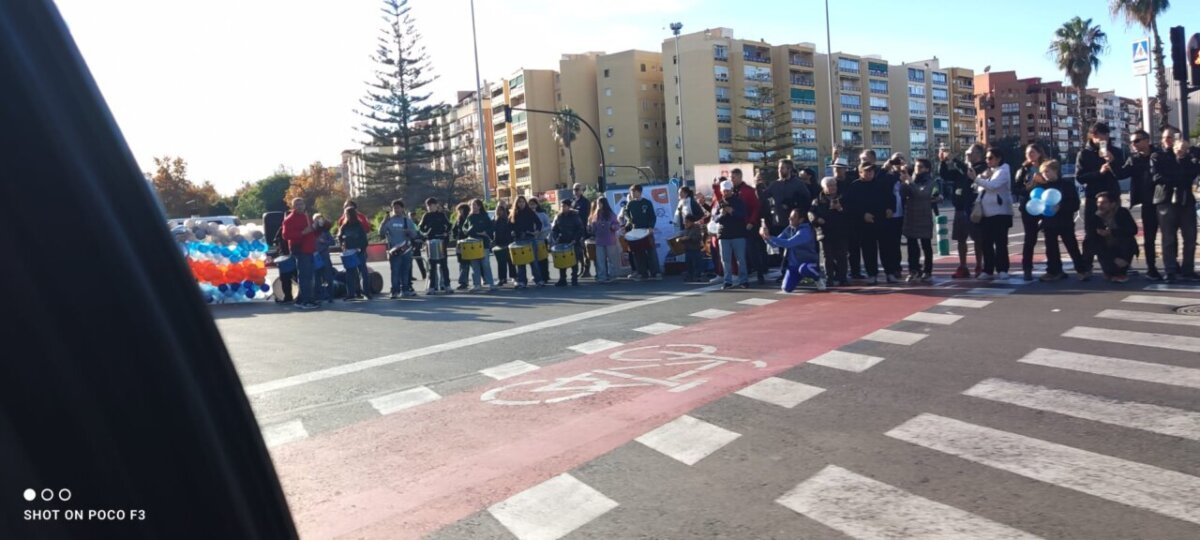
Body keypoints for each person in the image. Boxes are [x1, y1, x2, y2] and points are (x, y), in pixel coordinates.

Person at [1075, 122, 1125, 279]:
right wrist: (1099, 172)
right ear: (1092, 136)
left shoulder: (1116, 151)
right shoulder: (1084, 154)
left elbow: (1121, 174)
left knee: (1115, 231)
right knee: (1091, 233)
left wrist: (1113, 161)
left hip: (1112, 196)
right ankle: (1086, 266)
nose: (1103, 138)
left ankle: (1116, 266)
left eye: (1106, 134)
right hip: (1093, 198)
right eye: (1099, 135)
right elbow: (1080, 177)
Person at [1151, 128, 1199, 282]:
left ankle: (1188, 269)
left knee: (1190, 237)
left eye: (1171, 137)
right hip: (1166, 200)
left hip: (1185, 200)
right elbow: (1157, 176)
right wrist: (1177, 179)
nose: (1168, 140)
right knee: (1168, 238)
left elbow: (1192, 173)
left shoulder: (1186, 157)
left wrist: (1184, 156)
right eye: (1165, 137)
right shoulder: (1158, 156)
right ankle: (1170, 270)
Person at [939, 143, 987, 278]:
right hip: (959, 208)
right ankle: (963, 266)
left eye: (970, 153)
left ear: (979, 154)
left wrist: (954, 159)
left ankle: (979, 265)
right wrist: (943, 162)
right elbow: (945, 175)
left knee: (978, 239)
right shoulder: (961, 171)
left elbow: (970, 172)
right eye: (966, 153)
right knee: (961, 239)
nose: (967, 155)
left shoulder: (982, 167)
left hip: (973, 208)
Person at [1038, 160, 1085, 282]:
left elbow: (1075, 204)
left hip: (1065, 221)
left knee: (1071, 246)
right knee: (1051, 248)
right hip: (1048, 221)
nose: (1045, 175)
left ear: (1055, 170)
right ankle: (1054, 271)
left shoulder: (1066, 185)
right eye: (1043, 172)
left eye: (1047, 171)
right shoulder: (1042, 187)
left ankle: (1082, 270)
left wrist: (1061, 206)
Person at [843, 163, 889, 285]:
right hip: (864, 224)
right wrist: (863, 215)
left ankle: (889, 272)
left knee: (886, 248)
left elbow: (889, 198)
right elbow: (849, 205)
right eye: (866, 171)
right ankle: (872, 274)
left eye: (871, 171)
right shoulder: (855, 186)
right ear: (860, 172)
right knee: (869, 250)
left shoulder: (880, 184)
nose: (869, 173)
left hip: (881, 220)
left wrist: (890, 208)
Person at [1123, 129, 1160, 280]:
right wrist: (1110, 161)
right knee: (1149, 238)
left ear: (1147, 140)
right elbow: (1121, 173)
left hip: (1163, 201)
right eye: (1132, 142)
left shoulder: (1158, 154)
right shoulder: (1134, 159)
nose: (1134, 144)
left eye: (1137, 141)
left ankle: (1174, 266)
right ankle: (1151, 268)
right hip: (1147, 203)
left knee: (1170, 236)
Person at [974, 146, 1014, 280]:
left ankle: (1002, 269)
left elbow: (993, 186)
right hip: (986, 213)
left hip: (1000, 213)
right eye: (986, 158)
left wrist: (977, 179)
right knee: (986, 242)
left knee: (1000, 242)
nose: (987, 160)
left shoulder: (1004, 170)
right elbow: (978, 188)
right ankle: (988, 269)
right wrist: (980, 178)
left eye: (990, 158)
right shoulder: (989, 172)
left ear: (999, 158)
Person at [762, 209, 824, 292]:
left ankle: (818, 278)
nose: (790, 218)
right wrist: (765, 237)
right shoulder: (789, 229)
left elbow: (789, 243)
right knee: (786, 288)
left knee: (804, 269)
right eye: (790, 216)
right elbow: (774, 244)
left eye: (793, 217)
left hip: (808, 263)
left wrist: (770, 237)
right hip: (794, 265)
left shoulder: (805, 231)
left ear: (801, 220)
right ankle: (799, 277)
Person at [1087, 192, 1139, 283]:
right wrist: (1112, 258)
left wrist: (1111, 232)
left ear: (1113, 204)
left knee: (1127, 240)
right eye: (1098, 202)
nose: (1100, 205)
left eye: (1104, 203)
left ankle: (1123, 266)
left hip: (1122, 247)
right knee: (1088, 242)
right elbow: (1092, 238)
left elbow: (1132, 230)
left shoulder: (1122, 212)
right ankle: (1088, 269)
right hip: (1106, 249)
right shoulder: (1095, 216)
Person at [1014, 143, 1049, 281]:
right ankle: (1027, 268)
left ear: (1039, 153)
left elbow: (1056, 182)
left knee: (1050, 236)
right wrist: (1027, 189)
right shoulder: (1023, 170)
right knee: (1030, 238)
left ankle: (1053, 267)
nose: (1029, 155)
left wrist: (1044, 182)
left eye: (1032, 152)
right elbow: (1015, 189)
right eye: (1027, 153)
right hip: (1029, 207)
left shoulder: (1047, 166)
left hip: (1046, 205)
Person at [902, 158, 939, 283]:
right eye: (916, 166)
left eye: (920, 166)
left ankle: (927, 270)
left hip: (924, 217)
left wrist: (910, 182)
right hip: (911, 217)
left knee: (926, 245)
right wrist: (903, 181)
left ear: (927, 169)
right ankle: (913, 270)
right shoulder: (911, 179)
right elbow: (903, 193)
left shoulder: (930, 182)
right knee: (912, 246)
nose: (917, 169)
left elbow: (921, 194)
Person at [281, 197, 320, 309]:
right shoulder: (289, 219)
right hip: (301, 249)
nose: (300, 206)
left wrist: (318, 228)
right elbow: (285, 235)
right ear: (293, 206)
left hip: (310, 249)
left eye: (301, 204)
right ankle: (305, 301)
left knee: (309, 276)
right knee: (304, 276)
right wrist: (302, 233)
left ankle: (306, 299)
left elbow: (312, 232)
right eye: (297, 204)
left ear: (304, 205)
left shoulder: (306, 216)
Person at [811, 175, 849, 287]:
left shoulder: (842, 198)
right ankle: (829, 278)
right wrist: (817, 219)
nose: (833, 188)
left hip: (840, 231)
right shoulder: (817, 201)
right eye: (829, 185)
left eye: (834, 185)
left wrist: (840, 209)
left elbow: (850, 214)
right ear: (823, 187)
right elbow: (811, 214)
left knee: (842, 256)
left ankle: (843, 278)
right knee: (827, 257)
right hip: (824, 232)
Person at [731, 168, 765, 284]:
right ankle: (744, 274)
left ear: (740, 177)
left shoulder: (748, 190)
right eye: (731, 178)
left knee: (752, 250)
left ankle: (760, 273)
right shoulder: (731, 191)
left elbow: (756, 207)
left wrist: (751, 222)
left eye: (734, 177)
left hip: (748, 225)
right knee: (739, 252)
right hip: (736, 226)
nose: (732, 180)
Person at [380, 199, 419, 298]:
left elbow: (414, 235)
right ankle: (394, 291)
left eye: (398, 208)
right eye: (394, 208)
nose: (396, 210)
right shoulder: (389, 221)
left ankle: (405, 290)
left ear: (402, 209)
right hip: (394, 251)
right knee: (395, 271)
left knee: (405, 271)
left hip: (406, 250)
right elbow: (381, 233)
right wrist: (383, 222)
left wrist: (409, 232)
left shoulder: (407, 221)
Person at [621, 184, 660, 280]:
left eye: (633, 191)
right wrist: (629, 222)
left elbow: (652, 216)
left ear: (639, 192)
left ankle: (655, 273)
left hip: (646, 230)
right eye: (631, 192)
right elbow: (626, 214)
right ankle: (643, 273)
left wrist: (651, 227)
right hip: (635, 231)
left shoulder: (647, 203)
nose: (632, 193)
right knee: (638, 253)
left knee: (651, 252)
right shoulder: (630, 204)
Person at [715, 179, 749, 289]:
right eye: (723, 191)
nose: (725, 193)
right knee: (725, 260)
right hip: (723, 235)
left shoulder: (738, 201)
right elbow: (715, 219)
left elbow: (743, 215)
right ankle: (727, 281)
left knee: (741, 259)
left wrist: (732, 211)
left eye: (727, 191)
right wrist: (722, 214)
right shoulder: (719, 203)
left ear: (731, 190)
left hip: (738, 234)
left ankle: (743, 280)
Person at [337, 200, 374, 298]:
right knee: (350, 273)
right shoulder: (344, 226)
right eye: (346, 214)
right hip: (349, 252)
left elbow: (364, 238)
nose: (346, 215)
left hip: (359, 251)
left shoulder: (359, 225)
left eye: (348, 214)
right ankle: (351, 293)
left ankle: (366, 292)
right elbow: (339, 236)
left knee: (363, 272)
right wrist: (342, 244)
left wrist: (362, 249)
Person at [879, 153, 907, 283]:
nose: (898, 163)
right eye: (896, 161)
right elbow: (879, 178)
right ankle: (892, 269)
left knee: (898, 243)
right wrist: (888, 165)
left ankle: (898, 267)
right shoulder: (888, 177)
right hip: (891, 215)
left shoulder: (907, 174)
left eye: (901, 160)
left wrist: (905, 170)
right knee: (890, 244)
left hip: (904, 214)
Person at [418, 197, 453, 294]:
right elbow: (420, 227)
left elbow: (449, 225)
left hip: (441, 241)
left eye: (431, 205)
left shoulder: (441, 215)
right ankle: (432, 287)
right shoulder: (426, 216)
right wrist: (425, 233)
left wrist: (446, 233)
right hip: (431, 242)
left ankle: (447, 285)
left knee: (444, 265)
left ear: (436, 205)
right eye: (428, 206)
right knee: (432, 266)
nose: (430, 207)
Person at [463, 198, 497, 292]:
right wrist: (467, 232)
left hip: (484, 243)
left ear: (479, 206)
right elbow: (464, 228)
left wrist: (485, 232)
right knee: (475, 265)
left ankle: (491, 284)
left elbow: (491, 227)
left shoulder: (485, 216)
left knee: (485, 264)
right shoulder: (470, 217)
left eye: (475, 205)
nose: (473, 207)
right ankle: (477, 284)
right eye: (471, 205)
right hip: (472, 243)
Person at [549, 199, 585, 286]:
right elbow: (555, 229)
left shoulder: (575, 216)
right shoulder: (559, 217)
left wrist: (575, 239)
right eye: (561, 206)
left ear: (569, 207)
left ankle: (574, 279)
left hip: (573, 241)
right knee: (562, 261)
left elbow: (580, 229)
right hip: (562, 241)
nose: (562, 208)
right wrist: (556, 238)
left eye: (564, 206)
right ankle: (562, 279)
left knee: (574, 261)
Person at [511, 195, 543, 289]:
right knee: (520, 262)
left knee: (534, 261)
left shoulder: (530, 212)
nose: (521, 203)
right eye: (519, 202)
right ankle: (522, 281)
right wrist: (512, 232)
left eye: (523, 202)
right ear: (516, 203)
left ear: (525, 203)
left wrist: (537, 231)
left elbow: (539, 223)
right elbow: (509, 226)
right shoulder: (514, 213)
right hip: (519, 240)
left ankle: (538, 280)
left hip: (530, 239)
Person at [589, 197, 622, 283]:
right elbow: (593, 228)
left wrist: (613, 227)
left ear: (604, 204)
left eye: (600, 203)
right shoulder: (595, 215)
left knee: (611, 259)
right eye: (597, 203)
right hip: (599, 240)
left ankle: (612, 275)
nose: (598, 205)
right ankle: (602, 276)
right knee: (600, 260)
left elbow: (617, 225)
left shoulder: (611, 214)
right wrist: (591, 227)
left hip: (610, 240)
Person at [570, 184, 593, 278]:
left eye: (577, 189)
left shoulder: (585, 202)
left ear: (581, 190)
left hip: (583, 229)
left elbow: (586, 214)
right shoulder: (573, 201)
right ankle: (581, 268)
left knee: (585, 251)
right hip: (574, 230)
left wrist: (573, 211)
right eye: (574, 189)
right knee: (577, 252)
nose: (575, 191)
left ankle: (586, 270)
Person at [312, 214, 337, 303]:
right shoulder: (311, 231)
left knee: (328, 277)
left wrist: (324, 241)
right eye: (317, 219)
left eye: (320, 219)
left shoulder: (325, 231)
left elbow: (333, 242)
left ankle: (330, 296)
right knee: (317, 277)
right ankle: (318, 296)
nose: (319, 221)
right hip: (315, 256)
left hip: (324, 256)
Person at [451, 202, 472, 290]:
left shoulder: (468, 218)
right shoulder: (458, 220)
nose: (460, 211)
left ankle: (464, 281)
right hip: (460, 242)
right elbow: (454, 230)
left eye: (461, 210)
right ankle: (464, 281)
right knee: (462, 262)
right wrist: (455, 236)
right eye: (459, 210)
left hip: (467, 242)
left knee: (465, 263)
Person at [493, 205, 514, 287]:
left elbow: (512, 230)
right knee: (501, 263)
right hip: (499, 244)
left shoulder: (508, 220)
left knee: (511, 261)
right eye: (498, 210)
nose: (499, 212)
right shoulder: (495, 220)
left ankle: (514, 277)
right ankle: (502, 279)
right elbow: (493, 232)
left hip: (508, 243)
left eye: (501, 210)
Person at [681, 215, 705, 283]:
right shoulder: (685, 229)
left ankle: (697, 276)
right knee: (688, 264)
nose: (685, 223)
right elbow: (682, 235)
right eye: (685, 222)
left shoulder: (696, 228)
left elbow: (698, 238)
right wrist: (681, 239)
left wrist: (689, 238)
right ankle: (690, 276)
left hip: (695, 249)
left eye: (687, 222)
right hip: (687, 249)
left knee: (696, 264)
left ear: (692, 222)